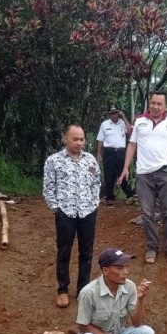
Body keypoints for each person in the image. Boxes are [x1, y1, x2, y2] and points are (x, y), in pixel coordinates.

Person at [118, 91, 167, 264]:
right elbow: (132, 145)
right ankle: (152, 247)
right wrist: (126, 168)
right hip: (144, 175)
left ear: (165, 106)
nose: (155, 107)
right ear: (149, 104)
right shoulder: (140, 122)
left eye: (159, 104)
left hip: (166, 173)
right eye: (153, 103)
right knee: (147, 214)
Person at [76, 247, 154, 334]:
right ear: (105, 271)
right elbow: (82, 325)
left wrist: (140, 299)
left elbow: (138, 323)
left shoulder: (129, 286)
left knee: (146, 333)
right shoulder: (88, 292)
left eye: (126, 267)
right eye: (119, 267)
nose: (126, 272)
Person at [43, 125, 100, 308]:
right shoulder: (54, 161)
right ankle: (62, 290)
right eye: (75, 139)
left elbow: (96, 183)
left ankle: (83, 290)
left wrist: (94, 204)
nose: (79, 143)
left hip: (87, 212)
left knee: (86, 252)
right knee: (64, 250)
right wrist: (55, 208)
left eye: (82, 139)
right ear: (65, 138)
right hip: (65, 213)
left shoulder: (90, 160)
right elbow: (48, 187)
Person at [96, 106, 135, 205]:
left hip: (121, 152)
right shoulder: (104, 124)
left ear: (118, 113)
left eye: (116, 113)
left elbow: (130, 131)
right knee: (109, 175)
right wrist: (99, 153)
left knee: (124, 173)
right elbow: (100, 139)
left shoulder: (122, 123)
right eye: (112, 113)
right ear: (109, 114)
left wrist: (124, 117)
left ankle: (130, 195)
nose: (114, 115)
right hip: (109, 152)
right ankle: (110, 197)